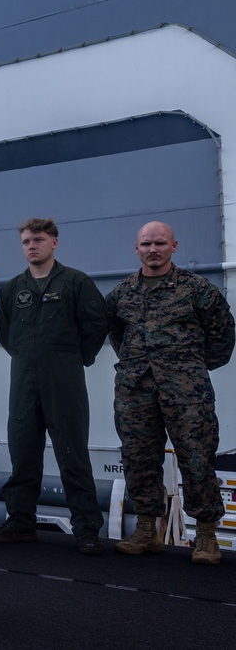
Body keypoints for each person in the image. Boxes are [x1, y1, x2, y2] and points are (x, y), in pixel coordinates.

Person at [106, 221, 235, 565]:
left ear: (174, 246)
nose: (153, 249)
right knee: (138, 459)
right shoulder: (121, 294)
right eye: (146, 244)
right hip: (135, 390)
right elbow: (117, 336)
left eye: (160, 243)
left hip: (186, 391)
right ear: (137, 248)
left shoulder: (198, 290)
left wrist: (187, 367)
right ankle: (147, 530)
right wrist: (141, 365)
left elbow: (222, 339)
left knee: (197, 459)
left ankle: (206, 536)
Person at [0, 218, 107, 554]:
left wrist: (74, 358)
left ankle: (86, 530)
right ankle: (21, 522)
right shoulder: (13, 289)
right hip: (24, 380)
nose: (31, 246)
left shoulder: (75, 282)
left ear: (54, 242)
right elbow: (7, 334)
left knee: (72, 455)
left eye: (38, 239)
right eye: (26, 240)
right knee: (23, 452)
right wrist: (30, 357)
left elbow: (96, 324)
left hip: (64, 380)